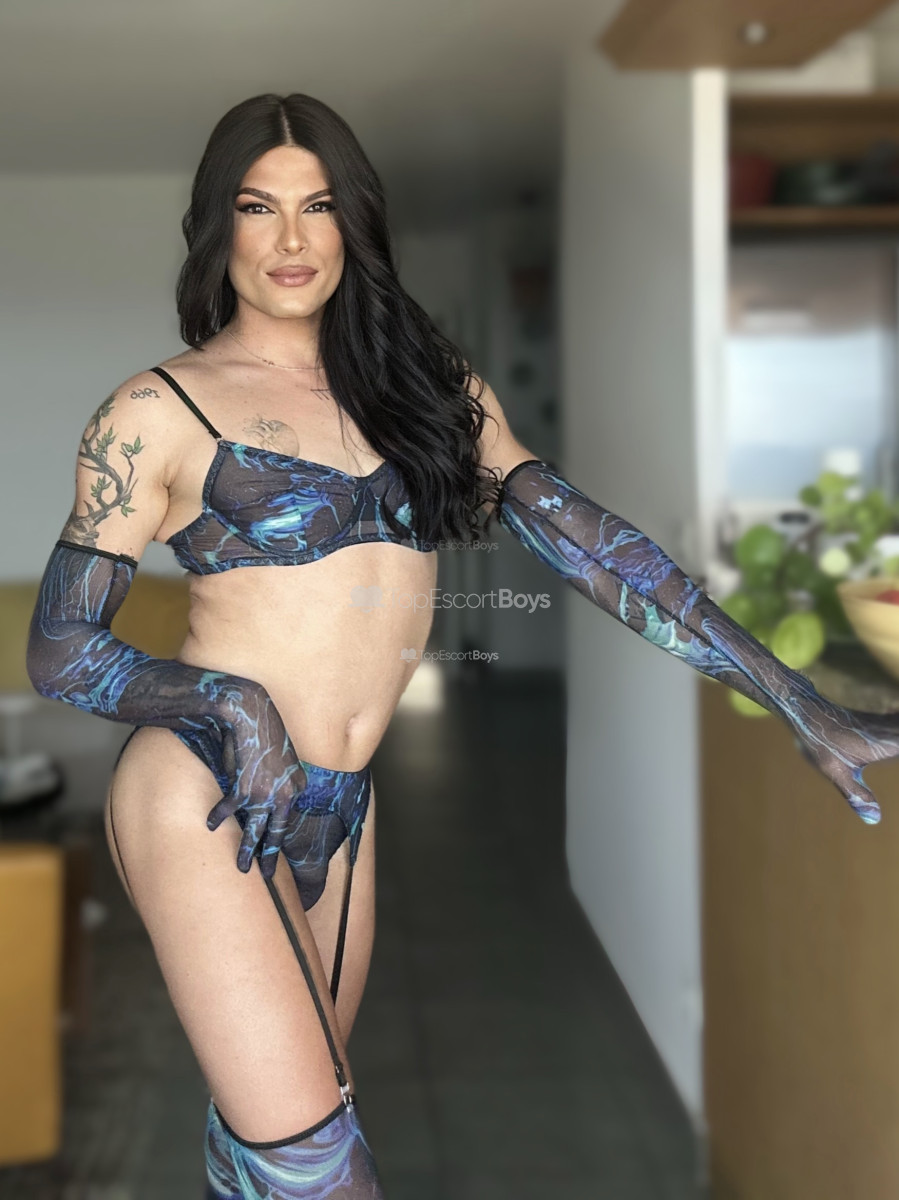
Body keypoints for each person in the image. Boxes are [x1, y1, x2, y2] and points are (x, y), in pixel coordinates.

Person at [25, 91, 899, 1199]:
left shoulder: (423, 390)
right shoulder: (157, 410)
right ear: (216, 225)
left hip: (339, 802)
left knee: (270, 1149)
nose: (291, 239)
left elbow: (592, 547)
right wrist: (229, 705)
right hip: (206, 787)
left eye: (319, 206)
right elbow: (61, 647)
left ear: (354, 221)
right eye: (257, 207)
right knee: (317, 1168)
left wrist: (793, 697)